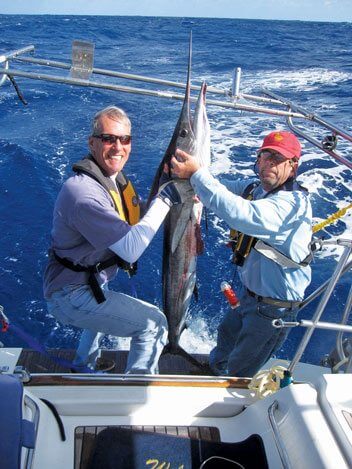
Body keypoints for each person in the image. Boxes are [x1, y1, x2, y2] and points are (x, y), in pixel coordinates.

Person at [44, 105, 183, 374]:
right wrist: (166, 200)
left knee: (98, 318)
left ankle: (82, 368)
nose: (118, 147)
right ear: (92, 142)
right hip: (70, 294)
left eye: (125, 139)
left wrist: (170, 203)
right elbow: (131, 250)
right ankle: (135, 395)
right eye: (109, 138)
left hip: (89, 282)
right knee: (154, 324)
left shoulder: (111, 178)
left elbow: (133, 212)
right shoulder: (83, 193)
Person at [171, 130, 312, 377]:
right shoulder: (257, 189)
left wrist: (196, 174)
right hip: (250, 297)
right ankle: (214, 372)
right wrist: (193, 181)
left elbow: (240, 213)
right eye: (264, 157)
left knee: (242, 367)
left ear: (293, 166)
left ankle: (228, 400)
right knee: (226, 335)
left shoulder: (289, 205)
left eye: (277, 159)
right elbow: (219, 191)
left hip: (273, 309)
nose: (268, 164)